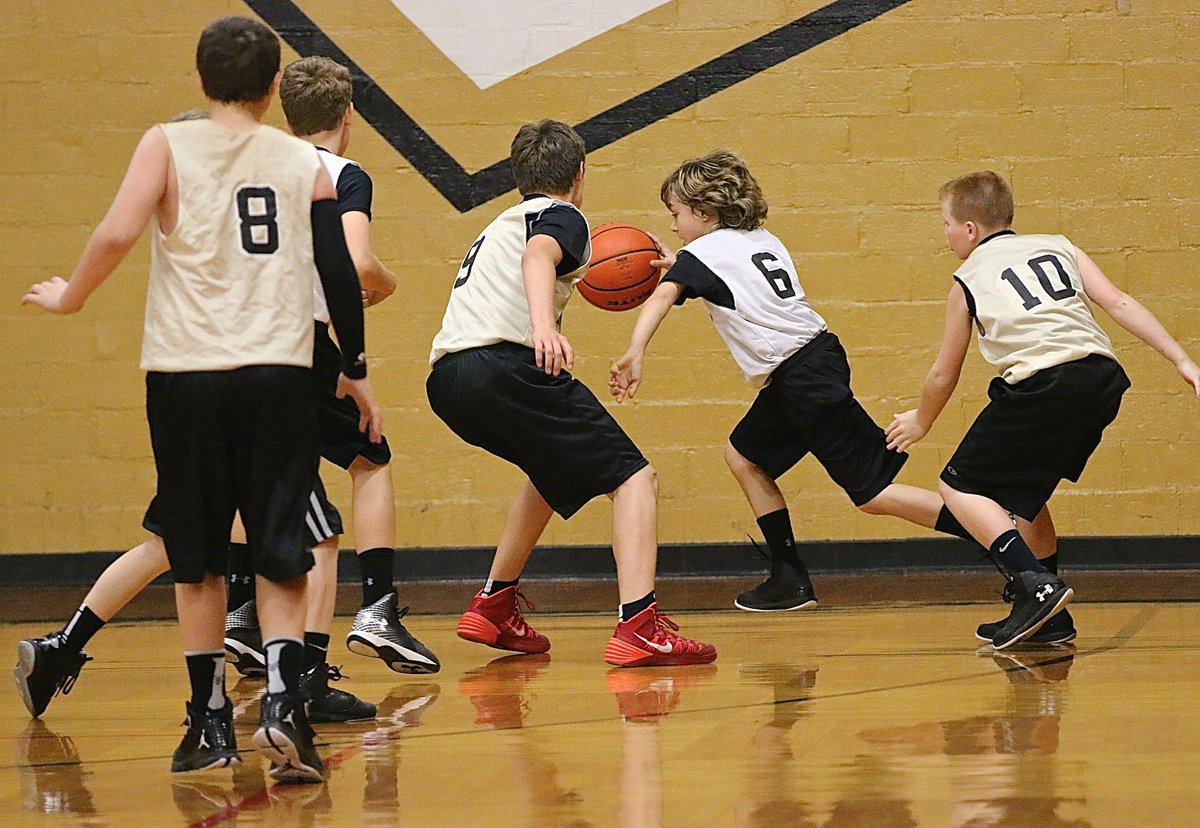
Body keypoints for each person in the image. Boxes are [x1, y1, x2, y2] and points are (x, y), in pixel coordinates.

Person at [19, 16, 381, 781]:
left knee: (197, 555)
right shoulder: (302, 159)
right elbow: (339, 272)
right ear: (274, 86)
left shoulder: (166, 143)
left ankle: (209, 720)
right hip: (279, 374)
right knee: (284, 546)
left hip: (186, 376)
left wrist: (70, 298)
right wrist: (352, 363)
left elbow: (118, 234)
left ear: (200, 79)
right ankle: (283, 703)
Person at [609, 149, 979, 613]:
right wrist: (683, 261)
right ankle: (789, 577)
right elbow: (718, 276)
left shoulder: (702, 253)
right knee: (744, 455)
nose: (672, 224)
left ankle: (997, 536)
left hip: (803, 377)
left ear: (704, 212)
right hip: (806, 368)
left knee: (872, 495)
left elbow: (665, 294)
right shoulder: (762, 239)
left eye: (676, 213)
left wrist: (635, 349)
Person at [425, 119, 715, 667]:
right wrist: (543, 326)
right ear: (580, 174)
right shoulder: (564, 217)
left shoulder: (499, 222)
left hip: (448, 380)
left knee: (552, 470)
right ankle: (640, 625)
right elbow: (539, 257)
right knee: (634, 478)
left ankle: (494, 603)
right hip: (503, 363)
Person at [884, 170, 1200, 649]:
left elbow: (943, 374)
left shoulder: (967, 278)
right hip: (1100, 378)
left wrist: (921, 421)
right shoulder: (1059, 245)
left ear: (969, 228)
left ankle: (1034, 584)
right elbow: (1118, 301)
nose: (944, 233)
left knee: (957, 485)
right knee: (1025, 495)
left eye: (945, 224)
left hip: (1044, 381)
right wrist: (1182, 360)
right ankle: (1050, 619)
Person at [224, 55, 439, 679]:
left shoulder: (256, 167)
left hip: (240, 340)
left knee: (249, 469)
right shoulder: (343, 174)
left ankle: (240, 611)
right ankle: (375, 609)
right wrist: (387, 284)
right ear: (348, 116)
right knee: (370, 457)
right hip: (303, 342)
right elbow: (355, 257)